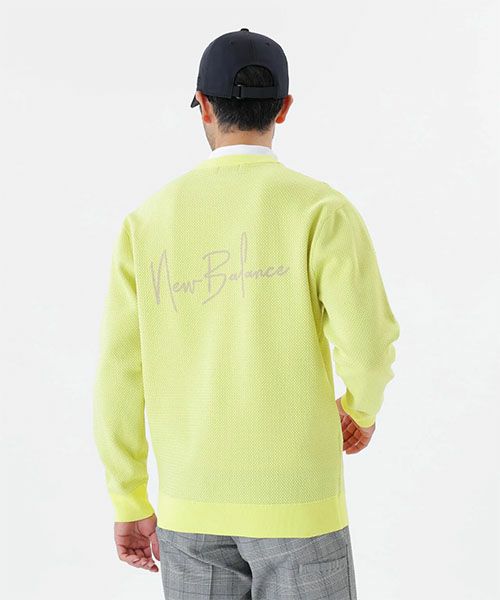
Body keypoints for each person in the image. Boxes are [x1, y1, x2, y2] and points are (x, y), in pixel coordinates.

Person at [92, 27, 400, 600]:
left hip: (190, 504)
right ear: (284, 108)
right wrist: (360, 408)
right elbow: (369, 341)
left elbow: (118, 376)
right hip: (299, 502)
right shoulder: (321, 210)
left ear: (203, 106)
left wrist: (128, 498)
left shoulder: (147, 223)